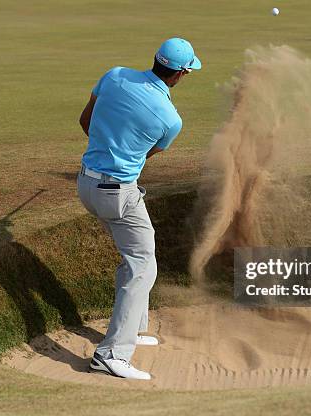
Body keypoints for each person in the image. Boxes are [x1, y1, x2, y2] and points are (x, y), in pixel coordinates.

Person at [76, 38, 201, 380]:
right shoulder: (170, 120)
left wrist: (108, 143)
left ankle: (132, 328)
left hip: (85, 184)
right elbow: (143, 155)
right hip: (117, 193)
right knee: (142, 265)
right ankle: (112, 354)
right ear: (180, 74)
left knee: (137, 256)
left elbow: (86, 121)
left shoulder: (114, 75)